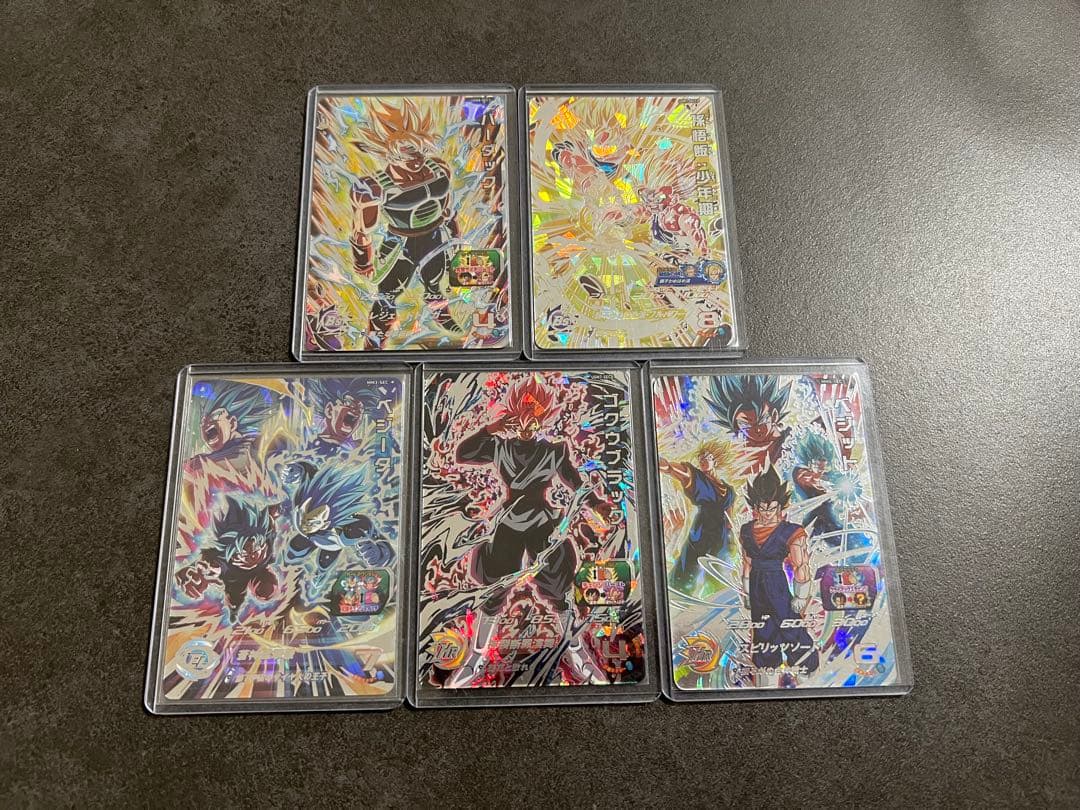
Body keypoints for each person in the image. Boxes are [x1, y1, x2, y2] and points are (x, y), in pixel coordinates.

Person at [738, 467, 819, 683]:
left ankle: (806, 667)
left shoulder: (790, 531)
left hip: (777, 583)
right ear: (756, 507)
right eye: (762, 508)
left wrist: (801, 594)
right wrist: (747, 591)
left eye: (771, 508)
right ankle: (767, 669)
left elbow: (801, 564)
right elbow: (747, 562)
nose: (766, 513)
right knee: (763, 629)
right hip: (756, 584)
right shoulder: (746, 530)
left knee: (789, 624)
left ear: (780, 507)